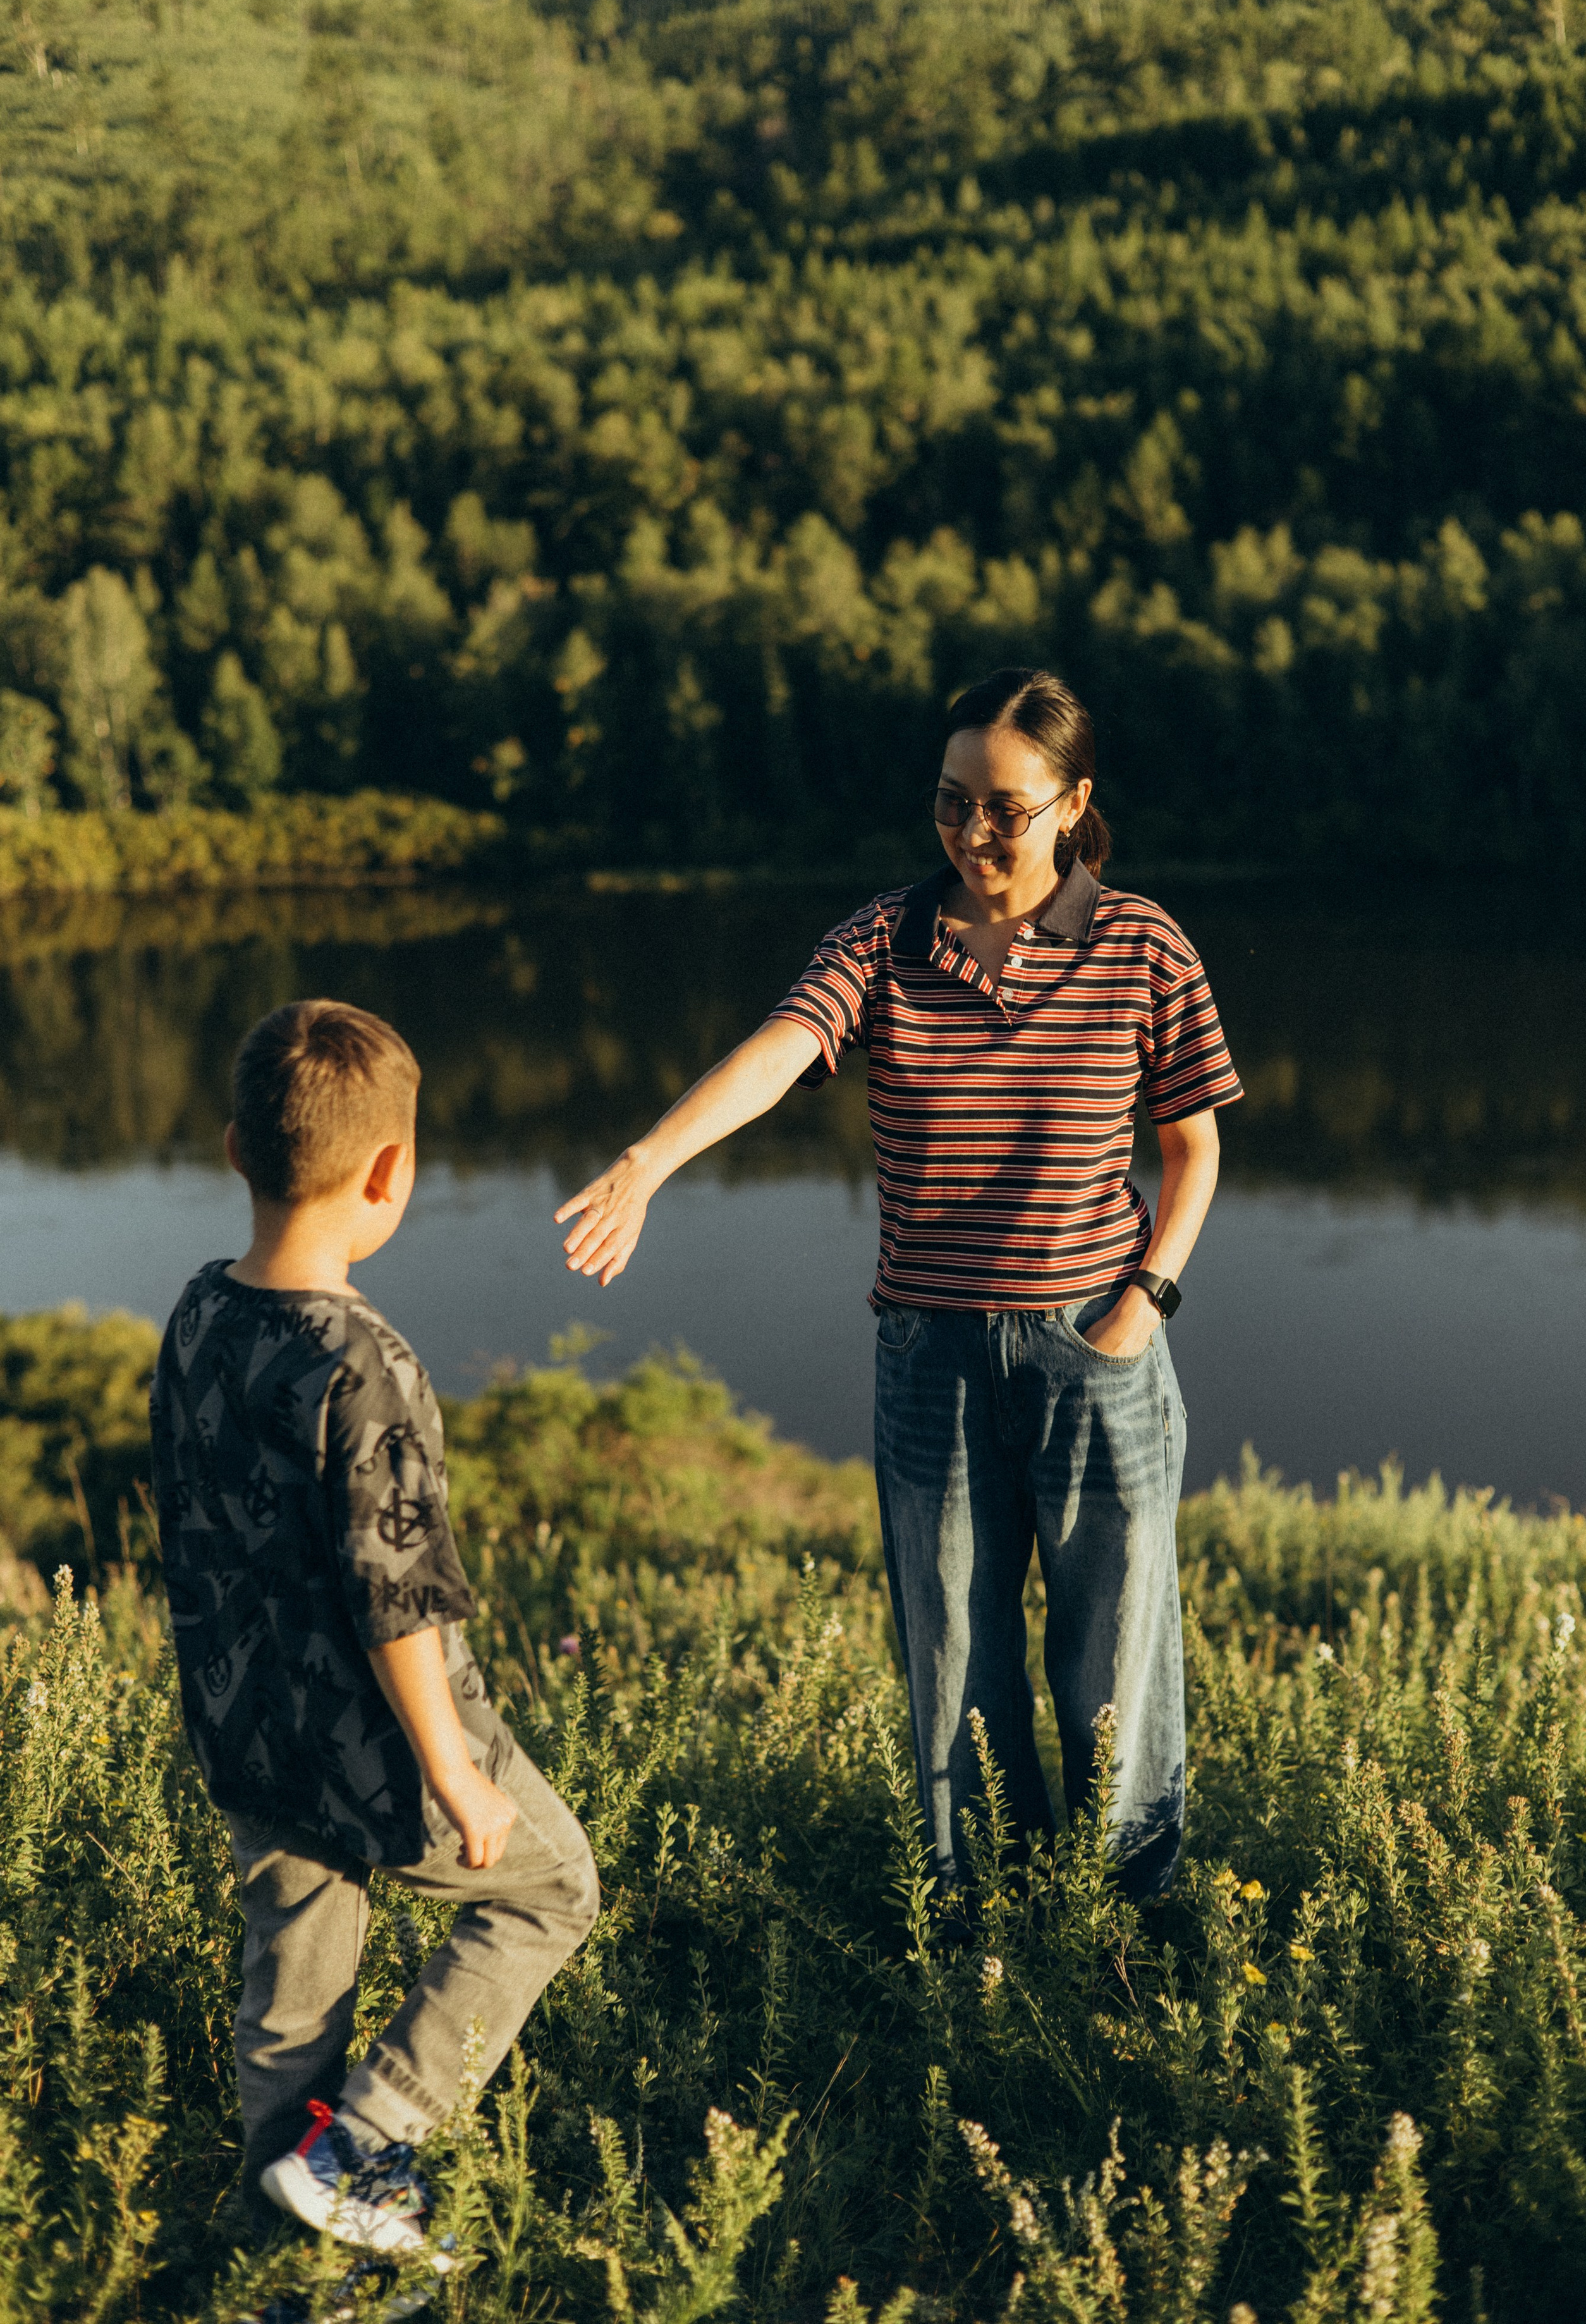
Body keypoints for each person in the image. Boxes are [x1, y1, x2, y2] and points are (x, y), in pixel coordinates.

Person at [556, 667, 1241, 1901]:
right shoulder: (884, 939)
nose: (972, 834)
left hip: (1096, 1349)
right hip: (929, 1360)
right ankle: (978, 1920)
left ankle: (1123, 1918)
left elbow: (1191, 1146)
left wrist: (1145, 1303)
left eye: (1005, 808)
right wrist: (646, 1159)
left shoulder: (1140, 942)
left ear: (1073, 802)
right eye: (949, 802)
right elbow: (781, 1049)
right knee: (953, 1665)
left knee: (1113, 1662)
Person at [150, 1000, 598, 2258]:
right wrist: (455, 1770)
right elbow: (393, 1588)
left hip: (245, 1726)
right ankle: (368, 2139)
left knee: (293, 1985)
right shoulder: (365, 1361)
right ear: (393, 1172)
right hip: (374, 1745)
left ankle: (276, 2252)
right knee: (551, 1889)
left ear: (237, 1149)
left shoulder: (196, 1314)